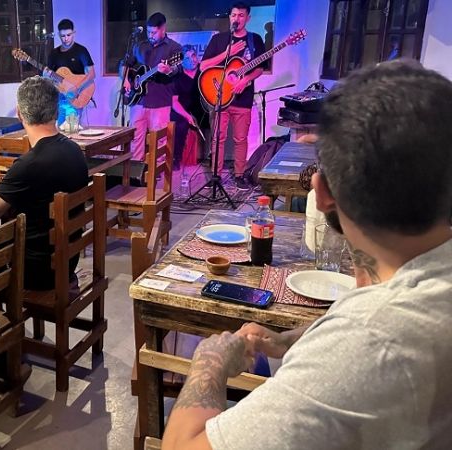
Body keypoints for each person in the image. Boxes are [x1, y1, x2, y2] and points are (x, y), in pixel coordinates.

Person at [161, 60, 452, 449]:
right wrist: (289, 341)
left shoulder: (365, 345)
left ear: (322, 192)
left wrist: (208, 364)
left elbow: (181, 447)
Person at [0, 76, 89, 291]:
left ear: (20, 114)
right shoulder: (75, 150)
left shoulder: (30, 164)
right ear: (56, 112)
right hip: (67, 262)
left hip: (35, 271)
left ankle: (4, 322)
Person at [200, 2, 266, 189]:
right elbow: (204, 66)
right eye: (234, 15)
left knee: (240, 139)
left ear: (248, 18)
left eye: (241, 15)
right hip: (219, 97)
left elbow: (260, 68)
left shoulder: (255, 40)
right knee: (217, 138)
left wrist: (245, 80)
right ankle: (216, 176)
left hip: (242, 99)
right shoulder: (219, 40)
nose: (237, 18)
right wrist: (227, 53)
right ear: (230, 17)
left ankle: (238, 175)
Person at [124, 12, 182, 161]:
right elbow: (125, 64)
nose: (150, 35)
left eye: (154, 32)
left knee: (159, 141)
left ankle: (156, 176)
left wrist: (168, 69)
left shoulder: (174, 48)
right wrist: (125, 79)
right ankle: (136, 175)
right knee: (135, 139)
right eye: (149, 32)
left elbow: (178, 71)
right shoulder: (140, 46)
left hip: (160, 101)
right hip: (138, 101)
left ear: (163, 29)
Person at [43, 19, 95, 126]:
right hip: (60, 96)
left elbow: (92, 74)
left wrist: (77, 88)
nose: (66, 39)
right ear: (58, 35)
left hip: (76, 96)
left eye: (68, 35)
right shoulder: (54, 53)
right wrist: (45, 75)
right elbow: (49, 76)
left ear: (73, 33)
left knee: (72, 129)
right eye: (63, 36)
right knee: (61, 130)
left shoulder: (81, 51)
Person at [170, 45, 203, 189]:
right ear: (182, 62)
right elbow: (174, 103)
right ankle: (176, 158)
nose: (192, 60)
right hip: (182, 110)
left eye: (194, 55)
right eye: (188, 58)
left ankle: (209, 157)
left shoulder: (203, 72)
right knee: (181, 124)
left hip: (200, 109)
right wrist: (187, 116)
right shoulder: (177, 77)